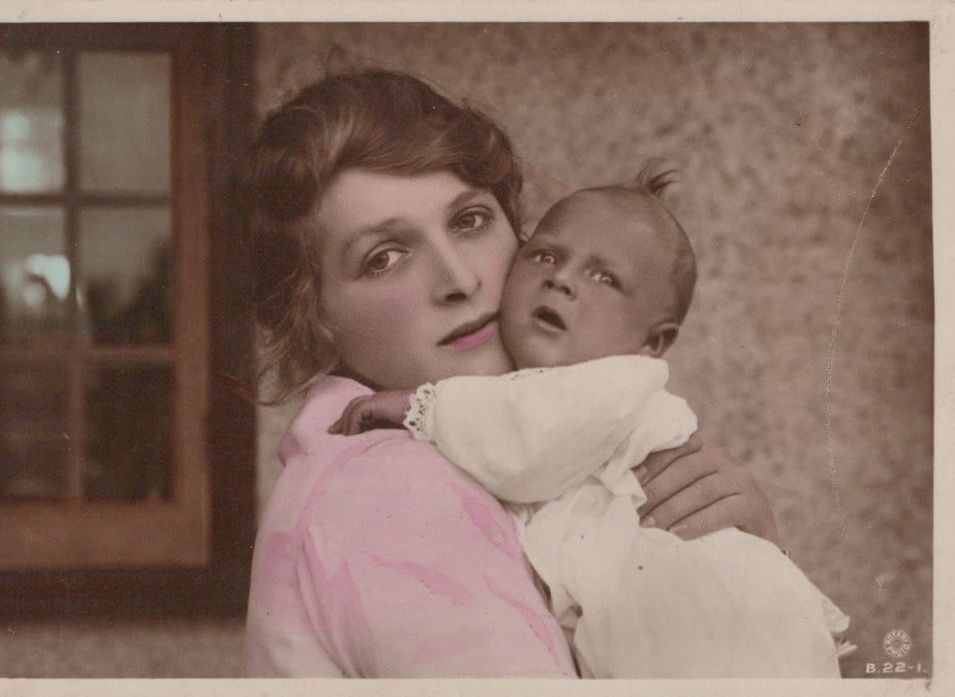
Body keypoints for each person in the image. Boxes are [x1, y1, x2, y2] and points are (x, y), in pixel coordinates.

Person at [243, 68, 782, 677]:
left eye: (469, 221)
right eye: (384, 258)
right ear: (311, 319)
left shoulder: (481, 453)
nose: (461, 280)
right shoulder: (395, 486)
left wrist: (733, 561)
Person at [333, 167, 851, 677]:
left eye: (604, 278)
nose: (561, 280)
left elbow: (525, 447)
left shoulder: (611, 385)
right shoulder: (522, 399)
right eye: (545, 256)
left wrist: (418, 407)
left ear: (653, 342)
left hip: (699, 614)